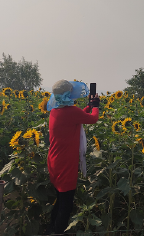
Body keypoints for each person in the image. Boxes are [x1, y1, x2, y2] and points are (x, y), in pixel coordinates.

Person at [46, 80, 99, 234]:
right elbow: (92, 119)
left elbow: (76, 116)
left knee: (60, 198)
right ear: (68, 94)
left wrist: (88, 107)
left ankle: (51, 228)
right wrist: (95, 106)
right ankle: (58, 231)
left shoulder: (55, 111)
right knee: (66, 203)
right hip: (66, 164)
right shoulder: (71, 112)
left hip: (55, 161)